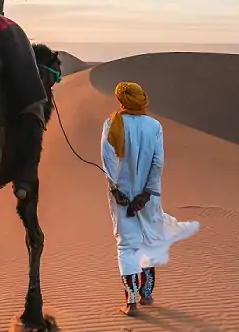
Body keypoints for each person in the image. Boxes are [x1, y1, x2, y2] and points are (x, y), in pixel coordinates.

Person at [100, 81, 200, 316]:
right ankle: (146, 295)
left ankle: (131, 302)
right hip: (148, 196)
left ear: (121, 100)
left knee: (126, 246)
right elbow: (158, 161)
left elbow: (107, 159)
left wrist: (115, 189)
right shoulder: (154, 126)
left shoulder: (111, 123)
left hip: (121, 196)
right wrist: (146, 194)